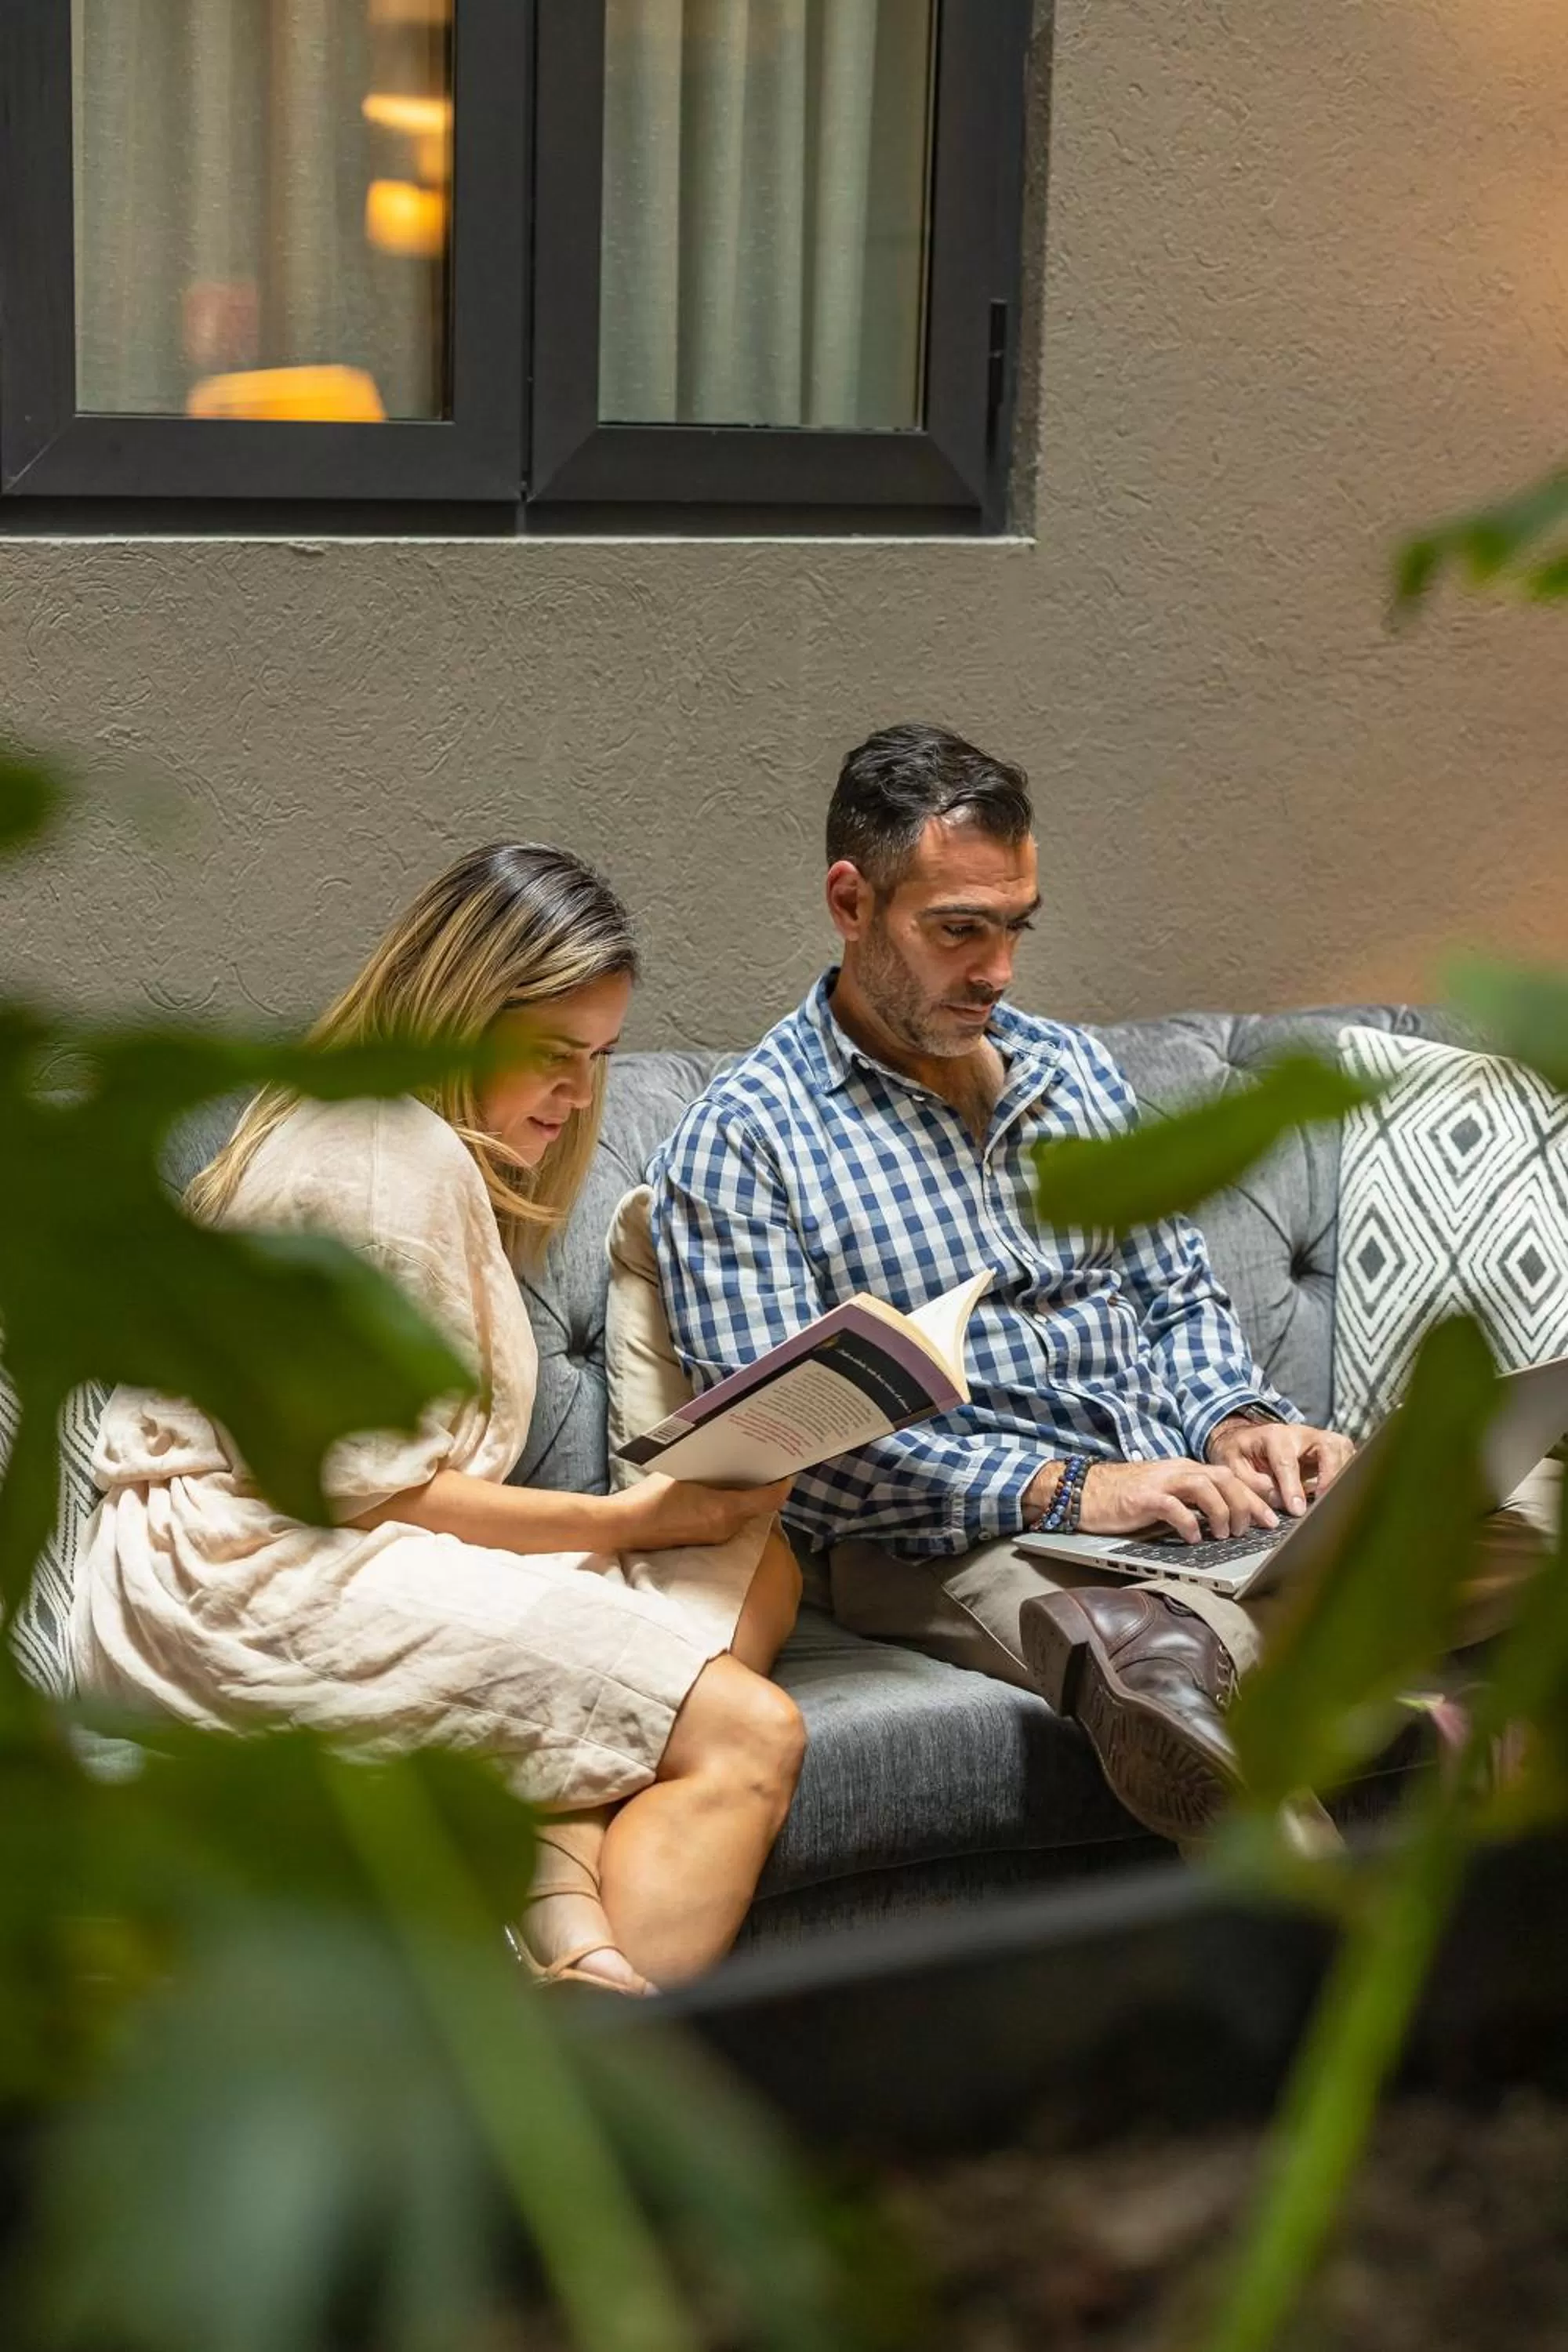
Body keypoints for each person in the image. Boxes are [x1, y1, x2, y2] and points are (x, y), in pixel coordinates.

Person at [73, 844, 805, 1994]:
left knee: (762, 1573)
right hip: (252, 1582)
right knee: (752, 1731)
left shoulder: (403, 1142)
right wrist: (629, 1520)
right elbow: (365, 1486)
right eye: (552, 1056)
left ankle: (565, 1919)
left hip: (336, 1546)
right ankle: (595, 2063)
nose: (575, 1099)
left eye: (598, 1060)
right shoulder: (381, 1148)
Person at [647, 724, 1359, 1845]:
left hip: (1171, 1500)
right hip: (959, 1543)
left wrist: (1241, 1423)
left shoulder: (1071, 1070)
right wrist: (1075, 1489)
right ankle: (1318, 1876)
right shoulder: (746, 1140)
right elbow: (791, 1457)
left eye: (1015, 927)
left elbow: (1175, 1296)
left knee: (1481, 1527)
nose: (998, 970)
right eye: (958, 931)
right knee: (1154, 1653)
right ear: (851, 900)